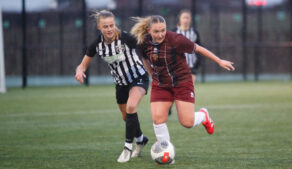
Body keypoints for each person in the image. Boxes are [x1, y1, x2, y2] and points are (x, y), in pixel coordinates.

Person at [130, 15, 235, 162]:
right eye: (156, 31)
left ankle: (204, 115)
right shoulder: (143, 42)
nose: (160, 34)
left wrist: (219, 61)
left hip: (182, 82)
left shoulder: (176, 39)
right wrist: (152, 74)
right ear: (149, 30)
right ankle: (166, 154)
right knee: (158, 119)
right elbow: (145, 59)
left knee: (187, 122)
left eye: (163, 30)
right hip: (161, 85)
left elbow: (199, 49)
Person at [75, 10, 149, 163]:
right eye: (105, 26)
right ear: (99, 28)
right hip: (120, 83)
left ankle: (127, 147)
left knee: (131, 107)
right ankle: (141, 139)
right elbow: (82, 65)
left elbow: (146, 50)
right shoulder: (97, 45)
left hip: (138, 77)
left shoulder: (126, 38)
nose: (109, 29)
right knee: (126, 117)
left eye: (111, 25)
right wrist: (79, 71)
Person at [174, 9, 201, 84]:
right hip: (177, 67)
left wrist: (197, 63)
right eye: (184, 17)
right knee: (178, 89)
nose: (186, 20)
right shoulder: (174, 32)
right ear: (180, 19)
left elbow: (199, 48)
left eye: (187, 18)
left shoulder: (194, 33)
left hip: (191, 66)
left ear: (190, 19)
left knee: (190, 89)